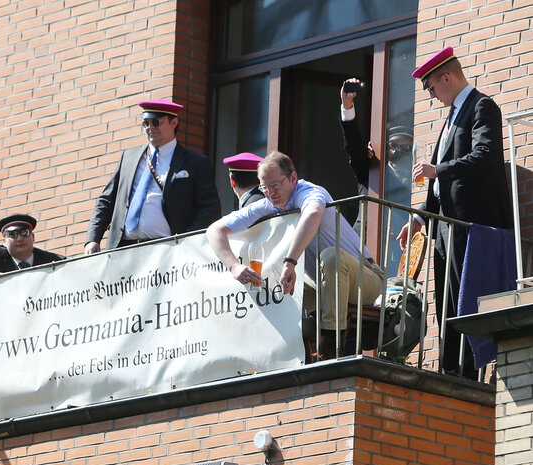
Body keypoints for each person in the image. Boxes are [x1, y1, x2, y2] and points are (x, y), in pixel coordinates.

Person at [395, 47, 512, 378]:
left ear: (446, 77)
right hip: (447, 228)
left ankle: (465, 373)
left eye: (431, 87)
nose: (431, 96)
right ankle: (451, 371)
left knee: (466, 300)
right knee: (447, 303)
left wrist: (439, 169)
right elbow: (439, 186)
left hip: (471, 226)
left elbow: (486, 155)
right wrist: (419, 219)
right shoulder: (452, 116)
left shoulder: (481, 106)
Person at [207, 151, 384, 362]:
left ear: (292, 178)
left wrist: (290, 261)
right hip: (324, 284)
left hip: (368, 282)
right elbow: (215, 230)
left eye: (275, 185)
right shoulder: (268, 203)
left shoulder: (309, 191)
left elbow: (313, 214)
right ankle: (276, 355)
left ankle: (330, 347)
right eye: (264, 187)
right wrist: (234, 267)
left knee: (330, 257)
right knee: (269, 284)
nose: (270, 193)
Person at [84, 99, 221, 253]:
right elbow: (106, 201)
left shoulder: (194, 162)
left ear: (174, 123)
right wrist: (93, 238)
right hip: (123, 250)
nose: (150, 128)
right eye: (145, 123)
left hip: (166, 252)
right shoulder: (129, 157)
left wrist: (185, 242)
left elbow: (210, 209)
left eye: (156, 122)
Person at [340, 78, 413, 266]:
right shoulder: (371, 170)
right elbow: (354, 146)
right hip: (363, 253)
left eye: (405, 148)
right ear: (385, 148)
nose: (398, 152)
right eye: (394, 146)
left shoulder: (416, 182)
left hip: (398, 259)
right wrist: (347, 106)